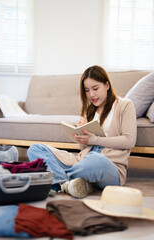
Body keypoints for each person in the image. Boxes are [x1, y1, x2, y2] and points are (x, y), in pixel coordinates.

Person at [27, 65, 137, 198]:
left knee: (96, 161)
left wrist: (94, 140)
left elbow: (129, 140)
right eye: (87, 90)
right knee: (35, 149)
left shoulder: (125, 105)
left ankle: (58, 179)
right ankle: (72, 183)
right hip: (82, 160)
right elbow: (83, 148)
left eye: (95, 88)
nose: (91, 95)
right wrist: (81, 137)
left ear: (107, 85)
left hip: (108, 165)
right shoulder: (89, 110)